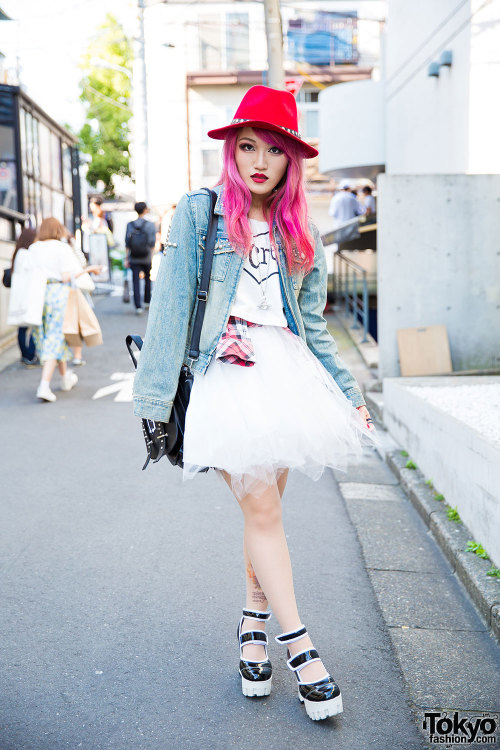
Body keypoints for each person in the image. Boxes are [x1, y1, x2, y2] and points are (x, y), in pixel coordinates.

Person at [132, 85, 376, 722]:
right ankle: (301, 649)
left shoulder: (304, 233)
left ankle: (251, 630)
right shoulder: (200, 212)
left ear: (292, 161)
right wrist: (154, 396)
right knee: (263, 510)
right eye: (248, 146)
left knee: (262, 515)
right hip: (225, 376)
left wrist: (348, 394)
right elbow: (171, 305)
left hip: (287, 378)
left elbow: (314, 325)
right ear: (231, 150)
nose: (259, 161)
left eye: (274, 149)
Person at [29, 218, 102, 403]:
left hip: (37, 295)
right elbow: (65, 276)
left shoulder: (34, 248)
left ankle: (64, 379)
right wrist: (89, 270)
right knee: (55, 337)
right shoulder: (61, 248)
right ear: (58, 229)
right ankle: (44, 386)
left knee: (49, 335)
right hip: (58, 294)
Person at [10, 227, 38, 366]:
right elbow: (33, 271)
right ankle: (30, 355)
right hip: (28, 295)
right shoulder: (26, 254)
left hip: (20, 295)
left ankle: (25, 355)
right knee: (33, 325)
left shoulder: (18, 253)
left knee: (22, 327)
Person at [125, 202, 157, 314]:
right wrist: (151, 256)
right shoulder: (150, 225)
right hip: (146, 256)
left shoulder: (130, 225)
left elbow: (127, 243)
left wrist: (126, 258)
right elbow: (152, 243)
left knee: (135, 281)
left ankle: (138, 306)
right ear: (145, 210)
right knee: (147, 279)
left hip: (133, 257)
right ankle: (147, 301)